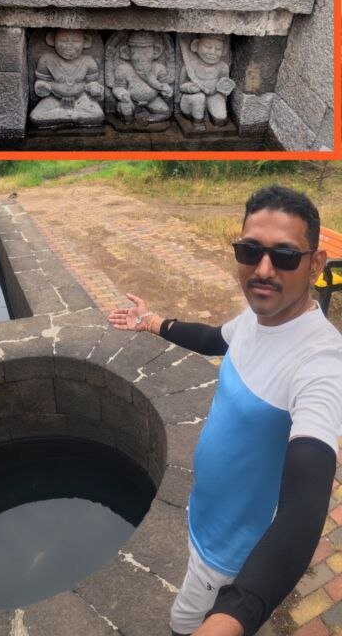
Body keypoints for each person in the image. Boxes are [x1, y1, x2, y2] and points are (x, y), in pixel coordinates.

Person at [108, 186, 342, 636]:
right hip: (208, 515)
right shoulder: (258, 318)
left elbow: (305, 508)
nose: (264, 269)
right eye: (250, 251)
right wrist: (154, 322)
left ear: (315, 264)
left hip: (228, 552)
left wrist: (236, 616)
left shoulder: (321, 362)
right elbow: (216, 338)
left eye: (285, 256)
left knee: (182, 622)